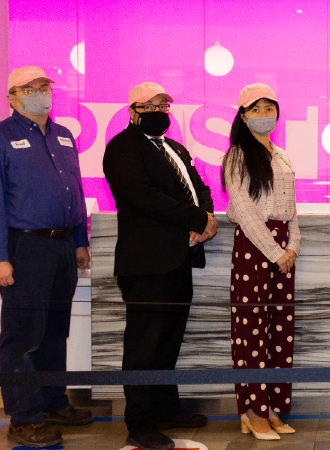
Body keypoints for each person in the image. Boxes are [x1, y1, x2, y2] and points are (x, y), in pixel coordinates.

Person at [103, 82, 217, 450]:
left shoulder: (176, 148)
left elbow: (199, 187)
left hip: (178, 260)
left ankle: (165, 406)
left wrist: (207, 214)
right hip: (146, 263)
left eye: (164, 105)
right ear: (133, 110)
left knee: (168, 341)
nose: (159, 111)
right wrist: (197, 218)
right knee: (143, 345)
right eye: (150, 106)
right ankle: (139, 421)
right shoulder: (122, 148)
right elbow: (142, 197)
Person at [0, 65, 93, 448]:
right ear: (13, 97)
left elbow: (76, 189)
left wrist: (80, 240)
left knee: (55, 330)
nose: (42, 92)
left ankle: (54, 403)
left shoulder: (65, 135)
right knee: (23, 334)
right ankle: (23, 418)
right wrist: (2, 257)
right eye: (32, 88)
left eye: (45, 86)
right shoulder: (4, 136)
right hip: (26, 247)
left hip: (62, 245)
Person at [221, 83, 300, 440]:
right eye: (257, 109)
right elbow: (243, 211)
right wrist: (275, 252)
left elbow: (292, 211)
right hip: (255, 248)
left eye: (270, 108)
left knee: (280, 331)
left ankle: (273, 406)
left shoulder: (281, 154)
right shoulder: (237, 155)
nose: (264, 115)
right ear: (242, 115)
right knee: (250, 331)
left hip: (284, 250)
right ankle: (252, 409)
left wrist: (293, 247)